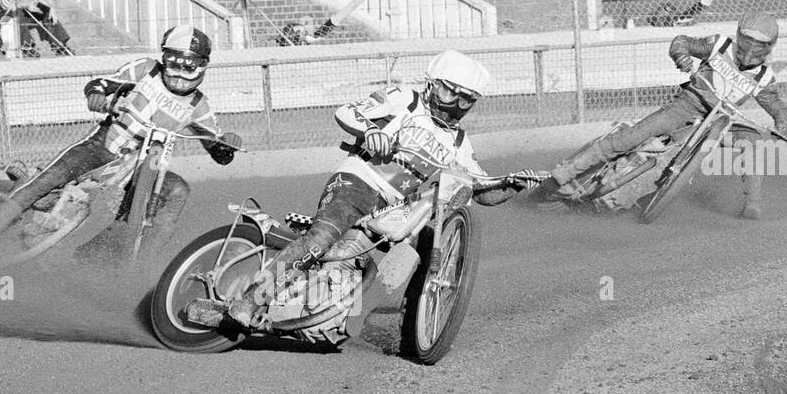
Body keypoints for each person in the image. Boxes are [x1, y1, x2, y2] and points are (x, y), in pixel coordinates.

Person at [198, 50, 540, 330]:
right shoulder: (405, 99)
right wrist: (371, 132)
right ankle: (251, 300)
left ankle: (401, 325)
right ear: (433, 84)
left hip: (394, 208)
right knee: (321, 239)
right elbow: (346, 111)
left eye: (466, 100)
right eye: (450, 92)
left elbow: (482, 189)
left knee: (412, 249)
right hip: (357, 183)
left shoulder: (459, 143)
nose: (455, 105)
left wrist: (512, 183)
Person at [0, 24, 241, 263]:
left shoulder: (198, 105)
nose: (180, 70)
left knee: (177, 191)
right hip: (103, 146)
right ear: (163, 58)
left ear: (202, 65)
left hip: (144, 168)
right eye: (173, 60)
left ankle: (132, 267)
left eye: (189, 64)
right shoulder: (146, 70)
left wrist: (227, 144)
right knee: (51, 177)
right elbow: (103, 83)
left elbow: (219, 151)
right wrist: (97, 95)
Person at [538, 12, 787, 220]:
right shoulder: (718, 45)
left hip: (724, 123)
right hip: (688, 105)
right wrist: (683, 58)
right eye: (748, 39)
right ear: (739, 35)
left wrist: (782, 124)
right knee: (629, 139)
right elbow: (682, 41)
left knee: (753, 145)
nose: (751, 48)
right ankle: (566, 172)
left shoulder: (764, 77)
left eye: (760, 43)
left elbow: (775, 104)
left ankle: (753, 204)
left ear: (769, 46)